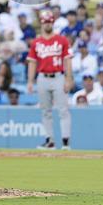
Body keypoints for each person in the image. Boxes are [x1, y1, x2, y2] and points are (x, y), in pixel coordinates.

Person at [26, 10, 73, 149]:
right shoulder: (36, 42)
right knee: (45, 111)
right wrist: (30, 81)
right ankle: (50, 141)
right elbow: (32, 62)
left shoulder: (61, 40)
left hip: (58, 76)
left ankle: (65, 142)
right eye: (45, 22)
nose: (47, 24)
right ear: (41, 23)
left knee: (63, 110)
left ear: (53, 22)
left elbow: (67, 60)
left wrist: (68, 78)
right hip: (42, 77)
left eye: (49, 21)